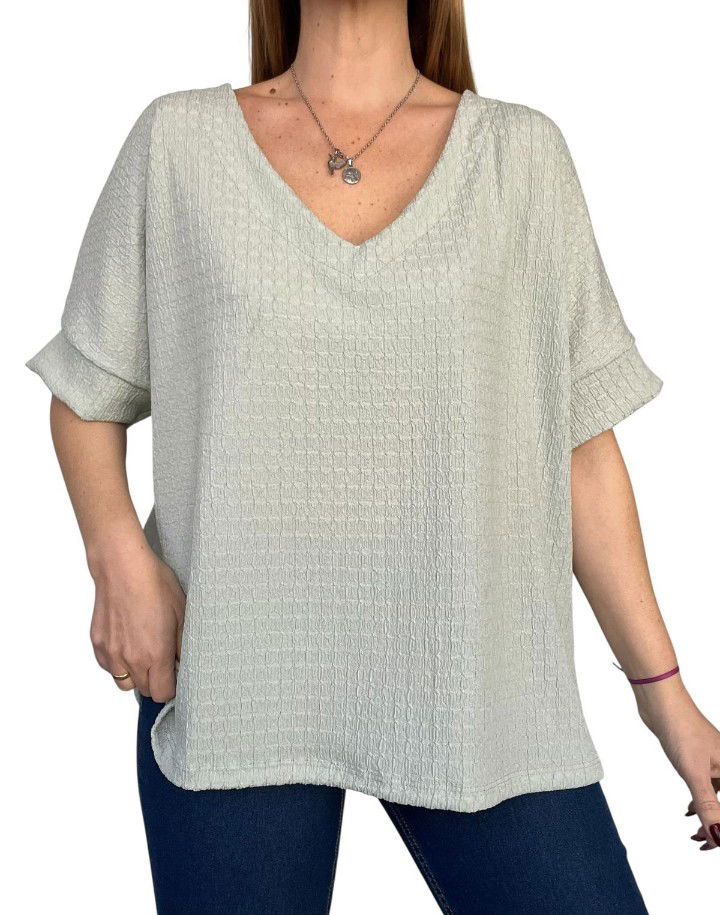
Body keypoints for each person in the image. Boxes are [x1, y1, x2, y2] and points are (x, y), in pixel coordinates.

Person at [26, 1, 720, 912]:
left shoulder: (521, 159)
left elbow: (579, 449)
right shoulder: (177, 146)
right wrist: (119, 561)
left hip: (477, 680)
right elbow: (87, 391)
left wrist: (667, 700)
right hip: (236, 676)